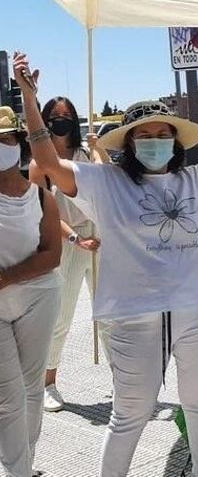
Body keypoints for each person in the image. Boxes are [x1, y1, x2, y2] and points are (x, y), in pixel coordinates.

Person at [14, 51, 198, 477]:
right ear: (129, 144)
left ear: (176, 143)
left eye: (163, 134)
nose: (155, 141)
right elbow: (48, 162)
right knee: (130, 414)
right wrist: (31, 100)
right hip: (132, 314)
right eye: (145, 135)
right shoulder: (104, 182)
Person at [28, 96, 108, 412]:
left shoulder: (85, 155)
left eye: (67, 115)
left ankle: (123, 379)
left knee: (110, 316)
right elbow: (43, 209)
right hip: (68, 243)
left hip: (100, 240)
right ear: (46, 121)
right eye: (55, 116)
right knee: (60, 317)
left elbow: (110, 183)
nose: (61, 121)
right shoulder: (39, 164)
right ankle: (47, 382)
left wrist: (98, 147)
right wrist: (75, 238)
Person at [0, 105, 62, 477]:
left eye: (4, 139)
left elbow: (52, 254)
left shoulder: (41, 197)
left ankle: (26, 463)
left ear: (18, 144)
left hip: (38, 296)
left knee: (32, 390)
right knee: (7, 398)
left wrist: (9, 277)